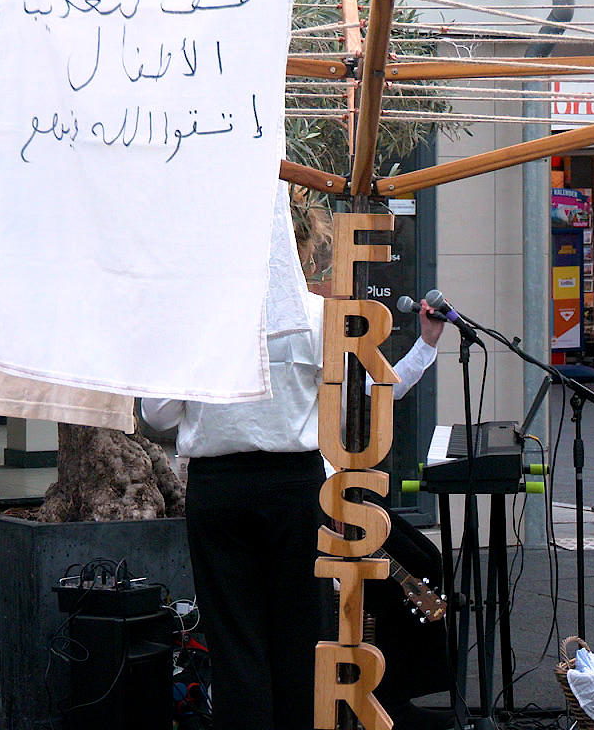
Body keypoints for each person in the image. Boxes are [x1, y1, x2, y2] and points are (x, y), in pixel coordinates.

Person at [140, 228, 444, 730]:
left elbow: (159, 412)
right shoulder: (320, 315)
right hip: (297, 485)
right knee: (302, 635)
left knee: (234, 639)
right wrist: (426, 348)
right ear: (296, 249)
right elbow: (372, 396)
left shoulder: (197, 312)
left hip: (220, 487)